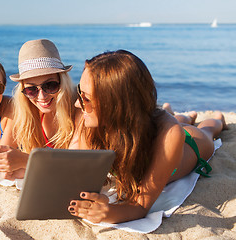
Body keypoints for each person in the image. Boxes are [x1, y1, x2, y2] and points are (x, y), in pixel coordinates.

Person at [68, 50, 227, 224]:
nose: (78, 103)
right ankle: (183, 116)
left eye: (86, 98)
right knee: (173, 122)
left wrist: (109, 213)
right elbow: (85, 179)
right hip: (148, 128)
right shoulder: (90, 121)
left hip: (189, 146)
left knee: (207, 131)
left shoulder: (170, 135)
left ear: (115, 103)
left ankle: (218, 118)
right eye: (79, 92)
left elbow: (141, 207)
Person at [0, 39, 78, 179]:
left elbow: (76, 169)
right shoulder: (26, 112)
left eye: (50, 85)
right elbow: (2, 164)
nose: (42, 96)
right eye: (31, 89)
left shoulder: (79, 108)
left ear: (62, 82)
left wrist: (26, 161)